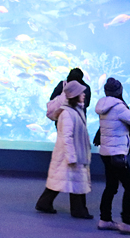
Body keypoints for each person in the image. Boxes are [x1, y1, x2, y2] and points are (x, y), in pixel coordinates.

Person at [95, 78, 130, 235]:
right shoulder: (119, 107)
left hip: (105, 153)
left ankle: (105, 219)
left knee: (111, 186)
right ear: (119, 91)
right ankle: (127, 223)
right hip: (117, 154)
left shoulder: (103, 106)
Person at [36, 80, 93, 218]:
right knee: (71, 181)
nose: (84, 95)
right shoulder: (68, 113)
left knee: (62, 180)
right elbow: (67, 137)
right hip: (69, 154)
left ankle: (47, 204)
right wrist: (72, 157)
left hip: (72, 153)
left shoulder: (74, 110)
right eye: (81, 93)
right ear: (74, 95)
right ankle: (78, 210)